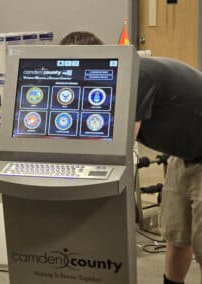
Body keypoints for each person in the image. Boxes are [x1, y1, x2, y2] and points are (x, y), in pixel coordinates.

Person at [61, 31, 202, 284]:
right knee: (176, 233)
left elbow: (120, 144)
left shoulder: (135, 77)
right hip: (184, 155)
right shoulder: (107, 83)